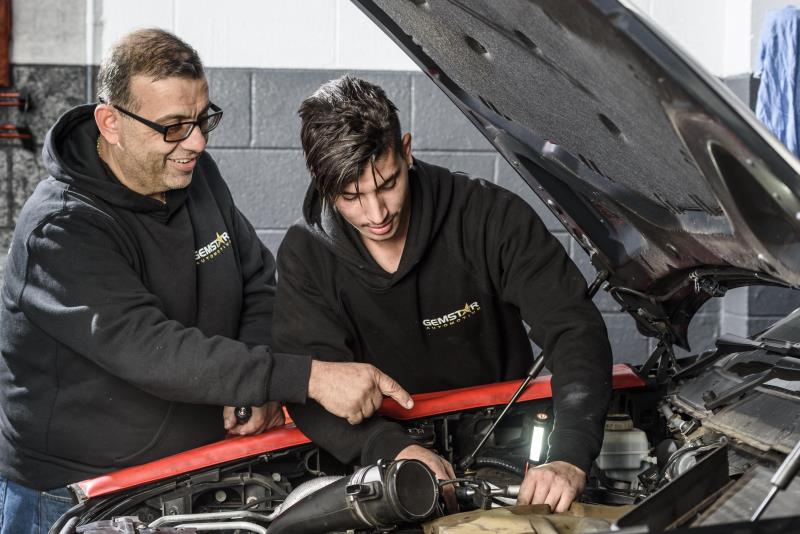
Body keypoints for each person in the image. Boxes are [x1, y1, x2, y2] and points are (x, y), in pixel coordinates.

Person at [0, 32, 412, 534]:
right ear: (111, 124)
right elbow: (153, 350)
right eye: (174, 127)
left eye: (202, 120)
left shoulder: (196, 176)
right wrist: (308, 377)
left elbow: (257, 282)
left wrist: (254, 391)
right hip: (78, 498)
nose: (196, 141)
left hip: (191, 478)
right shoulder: (61, 229)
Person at [272, 76, 613, 513]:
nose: (376, 213)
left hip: (506, 448)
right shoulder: (306, 255)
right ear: (323, 185)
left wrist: (568, 454)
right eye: (352, 196)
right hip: (387, 460)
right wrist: (388, 449)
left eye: (388, 183)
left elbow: (574, 328)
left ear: (406, 150)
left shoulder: (488, 216)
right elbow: (310, 391)